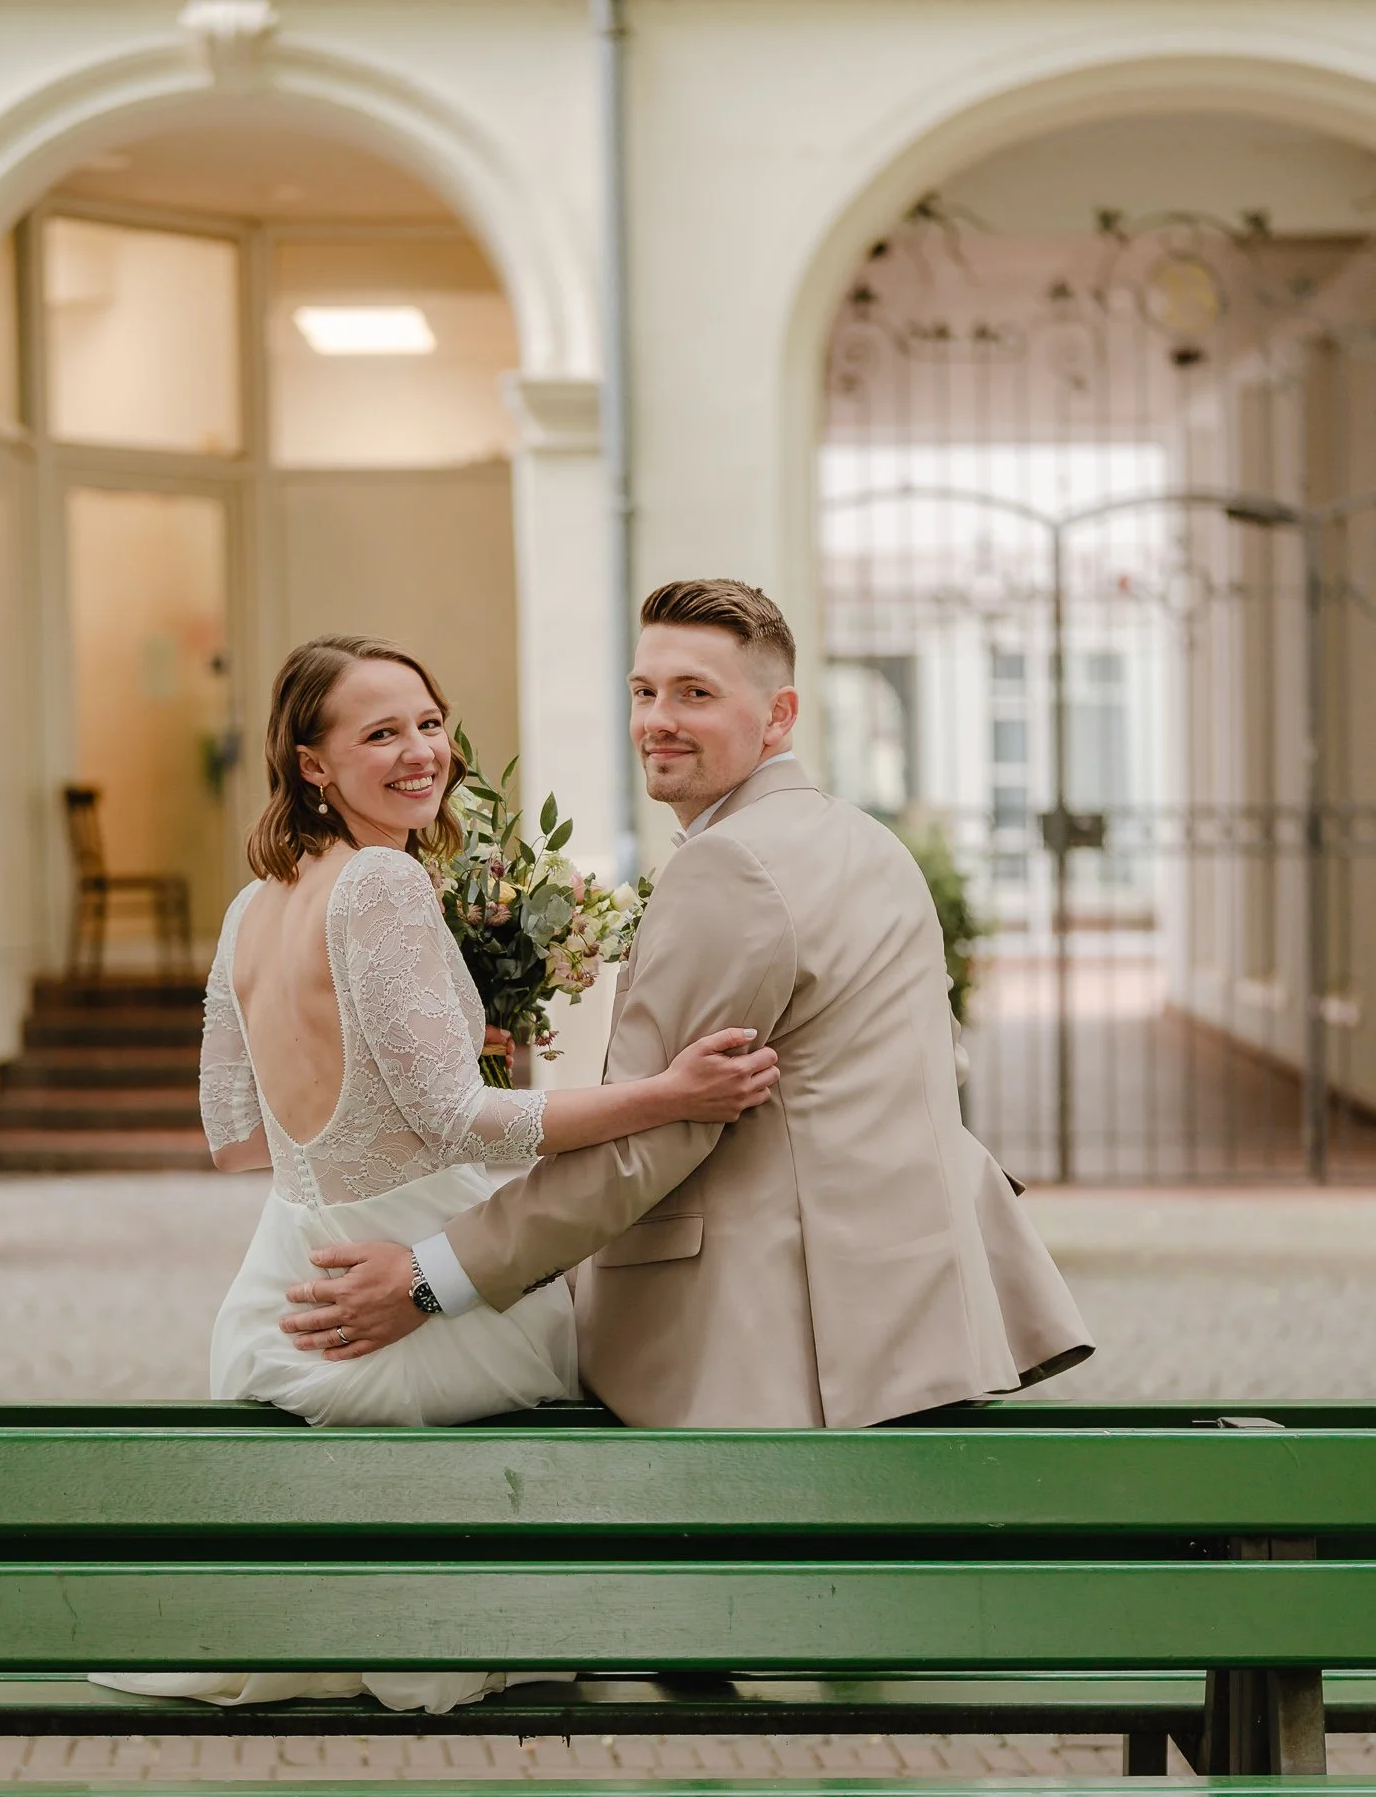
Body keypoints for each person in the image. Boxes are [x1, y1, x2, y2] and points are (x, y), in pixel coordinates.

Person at [91, 629, 777, 1714]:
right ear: (311, 766)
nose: (421, 752)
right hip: (389, 1302)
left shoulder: (250, 904)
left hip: (283, 1294)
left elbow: (236, 1129)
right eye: (380, 734)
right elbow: (465, 1124)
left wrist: (393, 1089)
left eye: (427, 721)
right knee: (645, 1317)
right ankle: (685, 1620)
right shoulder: (378, 885)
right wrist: (671, 1095)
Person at [282, 579, 1092, 1428]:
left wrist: (429, 1278)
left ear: (777, 716)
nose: (656, 720)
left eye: (694, 694)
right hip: (914, 1324)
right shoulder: (869, 843)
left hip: (777, 1345)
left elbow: (649, 1142)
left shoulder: (730, 866)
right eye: (644, 692)